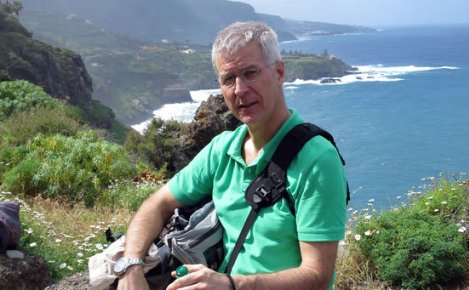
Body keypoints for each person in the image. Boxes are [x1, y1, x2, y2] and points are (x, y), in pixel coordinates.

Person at [117, 21, 347, 290]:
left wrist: (231, 284)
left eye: (250, 73)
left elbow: (317, 276)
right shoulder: (222, 149)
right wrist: (130, 267)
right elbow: (159, 202)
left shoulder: (317, 160)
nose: (239, 89)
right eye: (229, 79)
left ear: (279, 72)